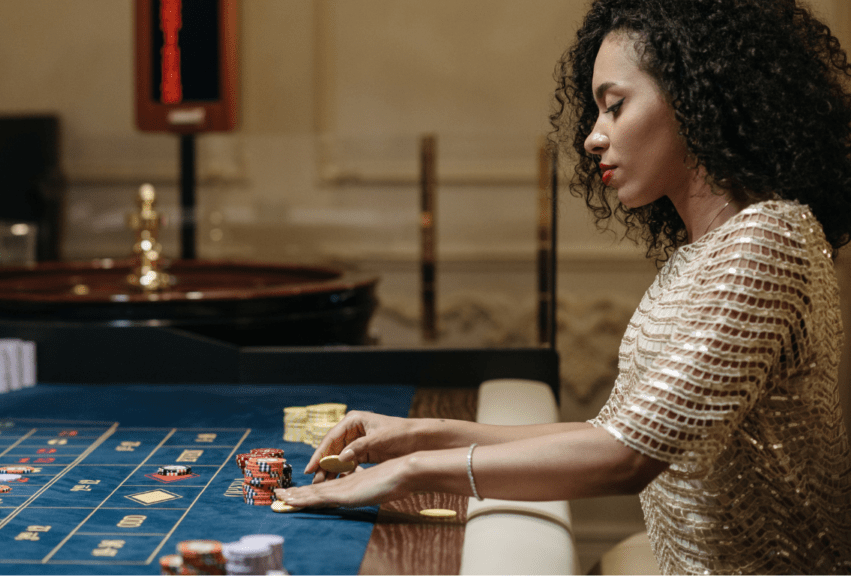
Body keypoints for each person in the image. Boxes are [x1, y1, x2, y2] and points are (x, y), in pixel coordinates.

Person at [274, 0, 851, 573]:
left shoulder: (766, 242)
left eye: (615, 107)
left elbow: (624, 459)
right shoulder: (705, 252)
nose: (592, 138)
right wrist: (416, 436)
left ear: (697, 100)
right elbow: (612, 431)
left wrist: (410, 472)